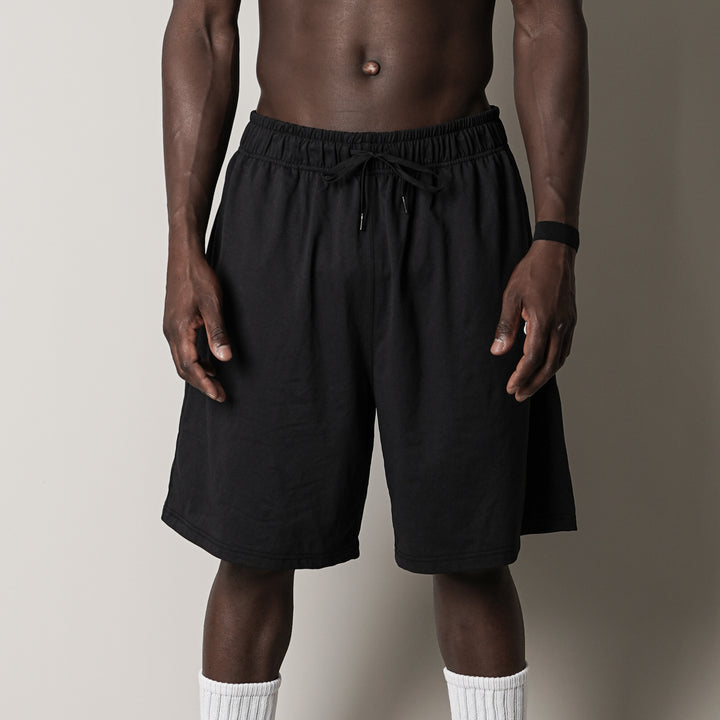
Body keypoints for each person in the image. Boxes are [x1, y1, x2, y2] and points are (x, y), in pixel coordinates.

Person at [159, 0, 588, 718]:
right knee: (252, 545)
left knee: (472, 552)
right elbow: (202, 23)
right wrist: (183, 241)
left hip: (457, 192)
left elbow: (546, 19)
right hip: (283, 193)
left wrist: (555, 238)